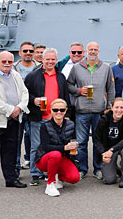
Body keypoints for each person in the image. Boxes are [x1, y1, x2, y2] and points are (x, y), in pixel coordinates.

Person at [67, 41, 116, 180]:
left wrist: (109, 106)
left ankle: (98, 168)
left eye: (95, 49)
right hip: (81, 110)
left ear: (98, 51)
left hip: (99, 111)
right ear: (86, 51)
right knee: (81, 142)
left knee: (98, 141)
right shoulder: (77, 68)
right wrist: (78, 91)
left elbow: (111, 88)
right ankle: (82, 169)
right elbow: (69, 85)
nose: (93, 52)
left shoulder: (106, 67)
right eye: (90, 49)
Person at [0, 51, 29, 192]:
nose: (7, 64)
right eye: (4, 61)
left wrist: (20, 107)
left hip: (13, 120)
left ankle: (10, 178)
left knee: (10, 151)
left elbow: (24, 92)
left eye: (10, 61)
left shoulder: (15, 75)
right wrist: (11, 109)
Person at [23, 48, 70, 186]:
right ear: (42, 59)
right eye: (47, 59)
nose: (50, 62)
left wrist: (67, 115)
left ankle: (50, 172)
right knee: (36, 146)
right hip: (38, 118)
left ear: (56, 60)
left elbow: (66, 97)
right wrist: (34, 100)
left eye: (53, 59)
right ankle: (35, 174)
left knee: (55, 147)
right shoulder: (32, 76)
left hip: (56, 118)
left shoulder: (60, 76)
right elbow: (25, 95)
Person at [35, 98, 80, 196]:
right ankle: (50, 184)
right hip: (45, 158)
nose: (58, 112)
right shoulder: (45, 126)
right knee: (56, 154)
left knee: (74, 178)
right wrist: (64, 148)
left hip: (62, 157)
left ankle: (58, 177)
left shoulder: (71, 124)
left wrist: (74, 149)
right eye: (55, 110)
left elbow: (74, 141)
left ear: (66, 111)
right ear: (51, 111)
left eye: (62, 110)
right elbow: (45, 147)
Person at [94, 97, 123, 187]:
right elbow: (97, 139)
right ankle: (115, 169)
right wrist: (103, 153)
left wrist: (111, 150)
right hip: (108, 147)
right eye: (116, 107)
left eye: (121, 107)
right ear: (111, 108)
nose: (119, 110)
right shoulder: (103, 119)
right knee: (109, 180)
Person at [13, 41, 41, 173]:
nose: (28, 53)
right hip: (18, 109)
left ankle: (35, 169)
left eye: (31, 51)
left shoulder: (40, 68)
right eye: (25, 51)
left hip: (34, 110)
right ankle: (15, 169)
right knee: (16, 140)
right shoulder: (13, 68)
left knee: (35, 140)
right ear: (20, 53)